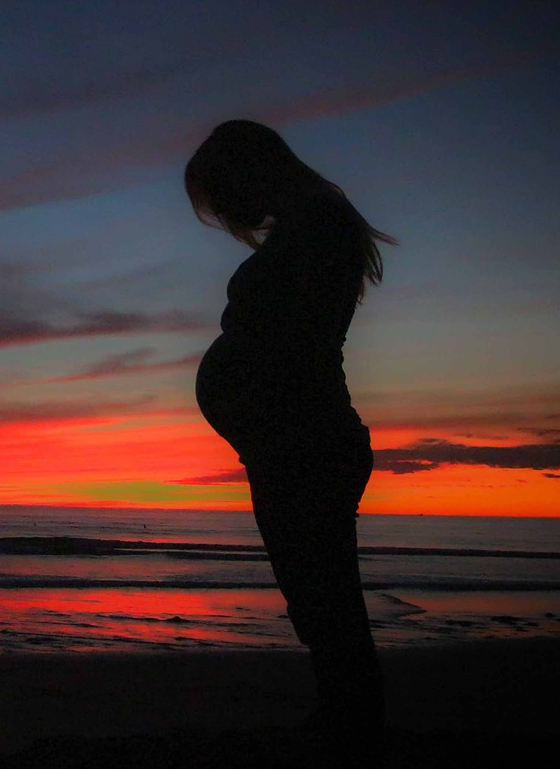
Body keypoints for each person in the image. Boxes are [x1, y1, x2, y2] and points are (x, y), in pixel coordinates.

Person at [185, 120, 396, 747]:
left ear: (251, 169)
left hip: (303, 438)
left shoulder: (320, 227)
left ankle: (352, 729)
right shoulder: (306, 228)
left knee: (323, 596)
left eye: (221, 193)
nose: (222, 211)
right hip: (286, 439)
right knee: (316, 596)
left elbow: (304, 340)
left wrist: (254, 387)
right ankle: (346, 720)